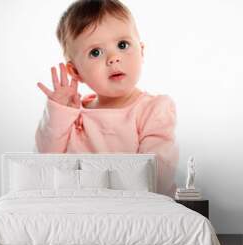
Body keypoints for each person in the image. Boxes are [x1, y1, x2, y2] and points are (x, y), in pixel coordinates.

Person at [34, 0, 179, 197]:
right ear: (75, 71)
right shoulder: (72, 115)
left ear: (141, 51)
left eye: (122, 45)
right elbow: (44, 164)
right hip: (82, 210)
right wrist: (59, 112)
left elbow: (157, 176)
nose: (113, 58)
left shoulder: (153, 109)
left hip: (140, 210)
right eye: (96, 52)